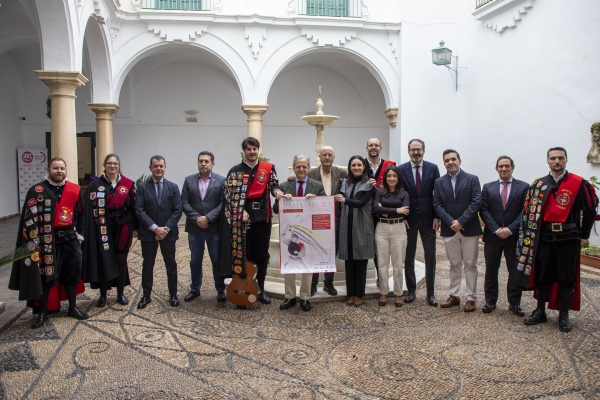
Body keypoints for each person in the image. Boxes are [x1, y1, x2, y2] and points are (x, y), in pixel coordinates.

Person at [511, 147, 597, 332]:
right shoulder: (539, 184)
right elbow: (529, 213)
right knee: (543, 275)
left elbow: (590, 210)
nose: (556, 161)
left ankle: (563, 315)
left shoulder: (579, 183)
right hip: (545, 238)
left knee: (566, 276)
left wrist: (584, 235)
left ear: (566, 160)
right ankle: (540, 311)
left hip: (569, 238)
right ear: (548, 161)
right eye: (553, 158)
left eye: (560, 158)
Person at [9, 157, 88, 329]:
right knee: (47, 276)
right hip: (47, 242)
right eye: (55, 168)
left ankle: (73, 308)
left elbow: (81, 215)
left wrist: (79, 236)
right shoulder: (37, 190)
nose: (59, 171)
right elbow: (29, 220)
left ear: (65, 170)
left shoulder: (74, 190)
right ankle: (42, 312)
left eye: (62, 168)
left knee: (72, 275)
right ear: (48, 169)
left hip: (70, 239)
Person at [217, 137, 284, 305]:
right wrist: (241, 211)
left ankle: (261, 290)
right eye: (249, 149)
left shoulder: (268, 169)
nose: (252, 152)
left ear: (258, 150)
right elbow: (229, 195)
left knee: (262, 255)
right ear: (244, 151)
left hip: (262, 218)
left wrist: (277, 192)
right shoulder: (235, 171)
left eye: (255, 149)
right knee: (243, 256)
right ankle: (244, 287)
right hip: (242, 221)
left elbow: (273, 184)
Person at [82, 154, 139, 307]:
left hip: (124, 226)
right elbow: (87, 208)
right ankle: (103, 295)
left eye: (115, 163)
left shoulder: (128, 184)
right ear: (105, 165)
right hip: (102, 227)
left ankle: (120, 294)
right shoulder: (95, 185)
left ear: (119, 165)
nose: (112, 166)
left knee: (121, 260)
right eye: (109, 163)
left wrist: (136, 227)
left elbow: (134, 207)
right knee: (104, 259)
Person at [275, 154, 326, 311]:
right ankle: (289, 297)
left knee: (307, 264)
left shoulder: (317, 186)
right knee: (288, 264)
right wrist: (282, 200)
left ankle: (305, 297)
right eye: (298, 166)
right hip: (289, 230)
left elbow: (325, 208)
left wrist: (315, 199)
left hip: (309, 231)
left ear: (309, 168)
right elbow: (275, 210)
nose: (301, 169)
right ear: (293, 168)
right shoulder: (285, 186)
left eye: (304, 166)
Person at [433, 149, 482, 312]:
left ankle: (471, 298)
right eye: (447, 160)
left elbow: (476, 202)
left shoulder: (472, 179)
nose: (450, 162)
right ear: (444, 163)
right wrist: (450, 222)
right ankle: (454, 295)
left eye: (453, 159)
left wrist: (461, 221)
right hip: (449, 229)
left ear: (459, 161)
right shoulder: (439, 182)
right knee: (454, 264)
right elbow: (437, 204)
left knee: (470, 264)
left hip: (469, 228)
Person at [479, 156, 528, 315]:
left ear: (512, 167)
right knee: (491, 270)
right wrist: (496, 229)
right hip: (493, 236)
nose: (504, 169)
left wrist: (510, 229)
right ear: (496, 169)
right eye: (501, 166)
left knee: (514, 271)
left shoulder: (524, 187)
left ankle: (514, 303)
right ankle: (490, 301)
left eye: (507, 166)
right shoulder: (488, 187)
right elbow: (483, 210)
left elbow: (525, 211)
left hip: (514, 237)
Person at [135, 155, 182, 309]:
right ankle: (146, 295)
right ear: (150, 168)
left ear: (165, 167)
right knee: (147, 265)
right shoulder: (142, 188)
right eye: (155, 166)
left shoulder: (173, 187)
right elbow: (139, 210)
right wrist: (155, 228)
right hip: (149, 234)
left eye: (161, 166)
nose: (158, 168)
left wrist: (165, 229)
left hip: (168, 234)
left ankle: (173, 295)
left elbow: (177, 211)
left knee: (171, 265)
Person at [399, 139, 441, 306]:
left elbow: (437, 194)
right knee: (409, 256)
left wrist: (437, 217)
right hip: (409, 220)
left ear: (423, 150)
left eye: (419, 149)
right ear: (408, 151)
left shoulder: (433, 168)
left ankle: (430, 294)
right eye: (413, 150)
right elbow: (399, 194)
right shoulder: (401, 169)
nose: (416, 153)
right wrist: (402, 218)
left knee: (430, 256)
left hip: (429, 219)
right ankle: (411, 291)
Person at [181, 151, 227, 303]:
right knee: (195, 260)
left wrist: (208, 218)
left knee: (216, 260)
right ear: (198, 163)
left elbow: (223, 203)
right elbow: (184, 202)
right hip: (195, 228)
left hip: (213, 227)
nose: (203, 163)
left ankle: (220, 290)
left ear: (212, 164)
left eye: (206, 161)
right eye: (201, 161)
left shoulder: (221, 181)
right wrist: (197, 218)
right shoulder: (189, 180)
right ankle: (195, 289)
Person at [335, 155, 376, 307]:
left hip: (362, 226)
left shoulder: (369, 185)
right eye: (353, 165)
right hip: (347, 226)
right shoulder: (345, 182)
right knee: (349, 262)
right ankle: (350, 293)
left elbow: (361, 203)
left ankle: (359, 294)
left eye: (359, 165)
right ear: (350, 167)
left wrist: (344, 200)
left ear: (364, 166)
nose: (356, 168)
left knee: (361, 262)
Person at [307, 145, 345, 296]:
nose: (327, 157)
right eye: (324, 155)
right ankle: (313, 284)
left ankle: (328, 284)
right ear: (320, 157)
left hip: (336, 219)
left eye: (330, 155)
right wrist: (292, 177)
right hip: (316, 219)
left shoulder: (342, 172)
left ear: (334, 157)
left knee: (331, 253)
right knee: (315, 251)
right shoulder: (311, 173)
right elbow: (300, 183)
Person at [373, 165, 409, 307]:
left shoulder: (404, 194)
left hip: (399, 229)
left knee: (398, 264)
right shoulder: (380, 192)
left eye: (394, 176)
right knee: (382, 264)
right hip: (381, 228)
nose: (392, 178)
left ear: (398, 178)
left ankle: (398, 294)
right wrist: (396, 209)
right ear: (385, 178)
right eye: (389, 176)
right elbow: (375, 208)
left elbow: (405, 211)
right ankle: (383, 292)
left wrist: (386, 210)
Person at [365, 138, 396, 284]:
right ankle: (362, 279)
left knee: (381, 247)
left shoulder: (390, 166)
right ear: (366, 148)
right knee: (364, 245)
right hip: (364, 212)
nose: (373, 147)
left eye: (376, 145)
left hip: (383, 212)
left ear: (380, 148)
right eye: (371, 145)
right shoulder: (360, 165)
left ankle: (381, 278)